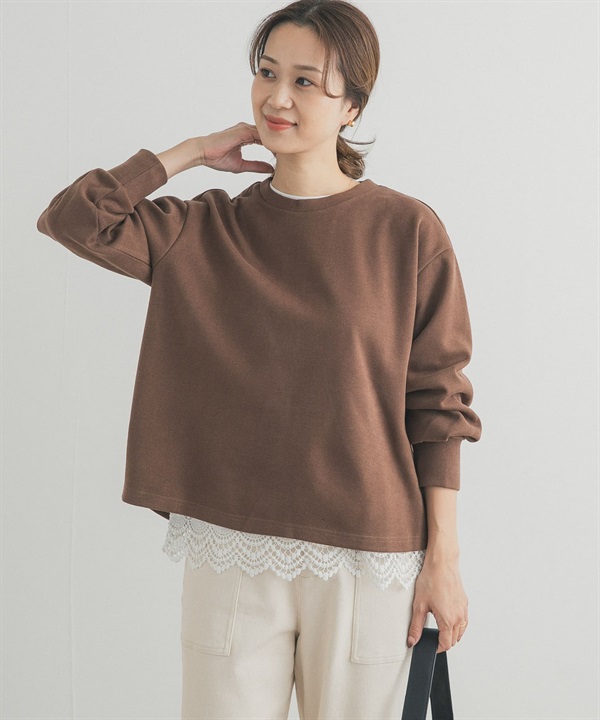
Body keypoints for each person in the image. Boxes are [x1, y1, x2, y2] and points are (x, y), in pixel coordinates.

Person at [36, 1, 482, 718]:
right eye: (267, 73)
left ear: (353, 106)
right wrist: (189, 153)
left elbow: (438, 404)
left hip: (368, 560)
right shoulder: (203, 228)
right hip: (232, 551)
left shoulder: (406, 231)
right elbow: (74, 218)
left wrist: (444, 561)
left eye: (306, 81)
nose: (278, 97)